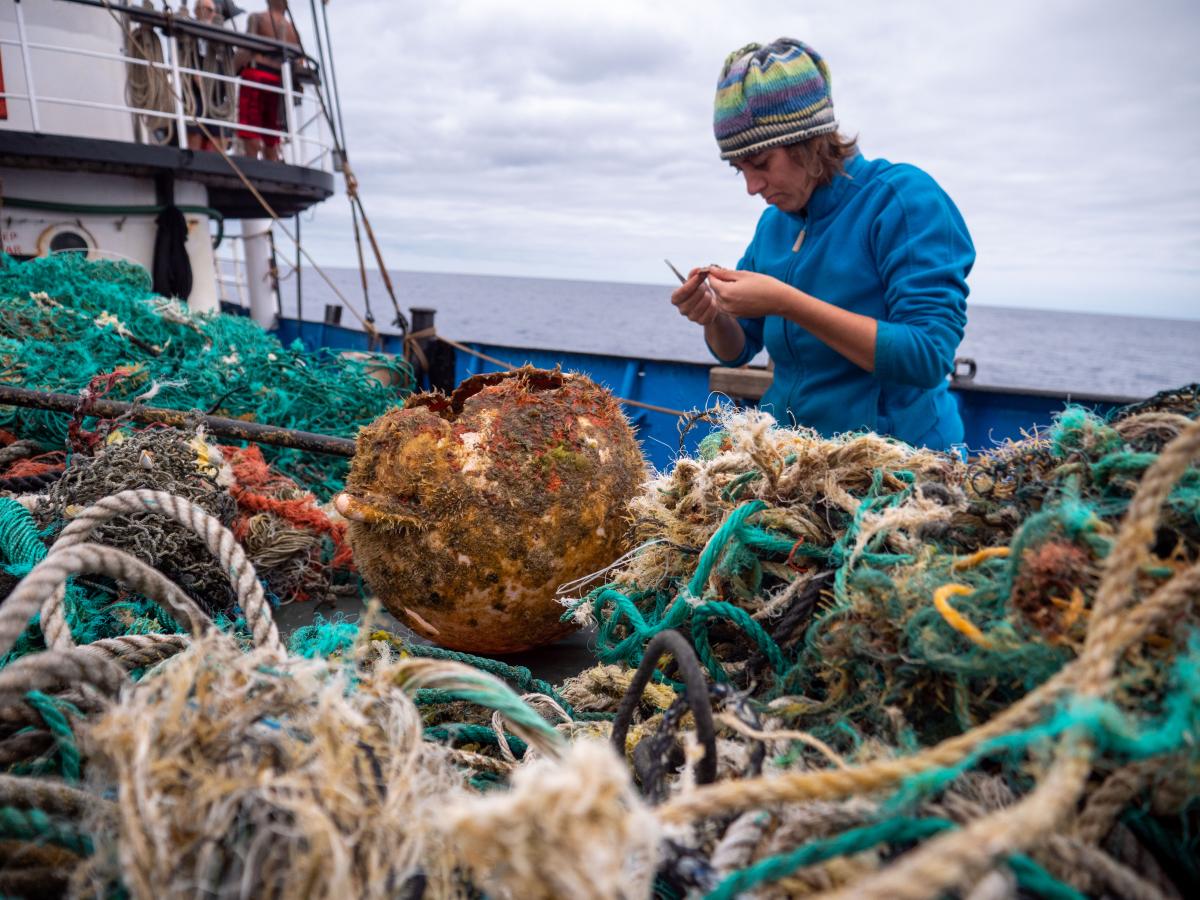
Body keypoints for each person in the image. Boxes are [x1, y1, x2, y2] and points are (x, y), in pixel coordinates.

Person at [671, 38, 975, 450]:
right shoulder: (774, 224)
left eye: (761, 164)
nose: (751, 186)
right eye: (738, 169)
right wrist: (712, 316)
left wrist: (787, 302)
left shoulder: (902, 201)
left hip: (894, 462)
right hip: (793, 458)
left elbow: (927, 356)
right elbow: (737, 349)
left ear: (811, 142)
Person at [233, 0, 301, 160]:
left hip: (255, 76)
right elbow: (298, 62)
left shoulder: (257, 18)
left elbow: (246, 49)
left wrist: (228, 71)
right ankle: (271, 163)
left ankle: (251, 163)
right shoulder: (293, 30)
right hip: (278, 83)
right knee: (271, 133)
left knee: (250, 128)